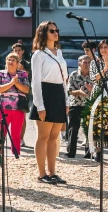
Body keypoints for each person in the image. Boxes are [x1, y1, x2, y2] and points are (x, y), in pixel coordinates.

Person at [29, 21, 68, 185]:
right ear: (44, 33)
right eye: (52, 30)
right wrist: (40, 105)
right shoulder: (38, 55)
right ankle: (41, 174)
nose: (55, 33)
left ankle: (52, 172)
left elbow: (64, 80)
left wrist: (66, 100)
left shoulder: (59, 53)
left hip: (59, 94)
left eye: (57, 30)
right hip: (45, 94)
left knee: (54, 137)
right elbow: (35, 82)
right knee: (43, 137)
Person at [0, 53, 30, 157]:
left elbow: (27, 90)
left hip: (18, 107)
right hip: (3, 107)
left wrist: (17, 83)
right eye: (9, 59)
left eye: (13, 60)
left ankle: (15, 153)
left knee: (16, 133)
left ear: (18, 63)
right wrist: (11, 83)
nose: (10, 62)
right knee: (1, 132)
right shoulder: (0, 74)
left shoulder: (22, 74)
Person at [66, 55, 93, 159]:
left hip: (88, 105)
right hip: (75, 104)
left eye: (88, 62)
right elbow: (70, 91)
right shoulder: (73, 75)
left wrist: (90, 91)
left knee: (89, 129)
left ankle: (89, 153)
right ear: (79, 63)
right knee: (73, 128)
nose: (87, 65)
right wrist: (80, 92)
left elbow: (97, 91)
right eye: (84, 62)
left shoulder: (94, 76)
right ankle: (71, 153)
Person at [88, 40, 108, 162]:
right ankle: (98, 151)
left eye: (106, 47)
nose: (104, 50)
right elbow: (93, 77)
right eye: (102, 47)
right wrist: (105, 68)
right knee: (97, 122)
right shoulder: (95, 62)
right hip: (98, 92)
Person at [12, 42, 32, 148]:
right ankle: (13, 138)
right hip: (10, 92)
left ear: (23, 52)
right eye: (15, 50)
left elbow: (30, 76)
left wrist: (22, 69)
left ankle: (21, 138)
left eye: (19, 50)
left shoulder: (27, 63)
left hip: (23, 93)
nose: (17, 52)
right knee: (10, 115)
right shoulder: (10, 61)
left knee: (22, 116)